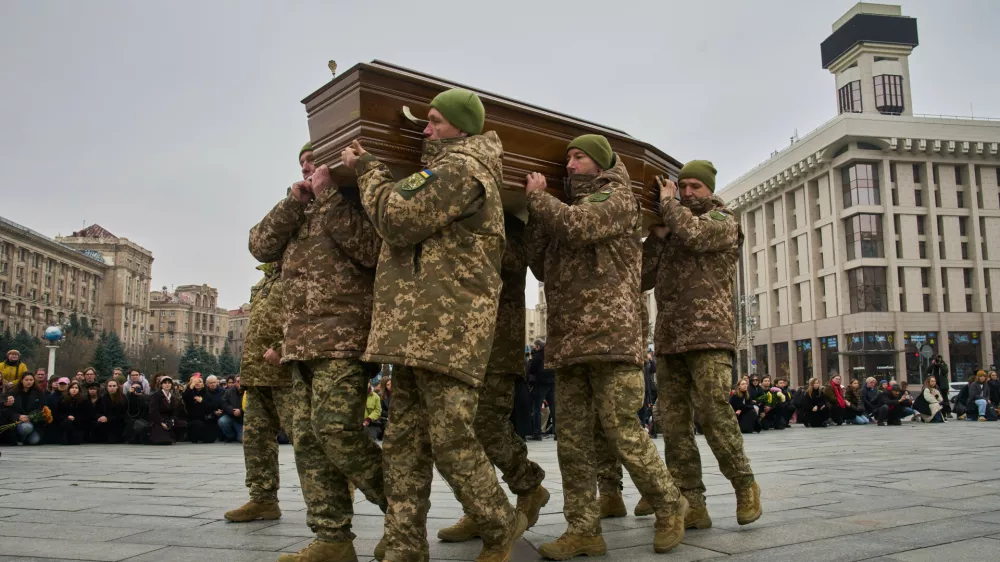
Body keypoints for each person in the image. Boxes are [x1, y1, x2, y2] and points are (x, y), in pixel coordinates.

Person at [345, 88, 524, 562]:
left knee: (450, 440)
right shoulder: (441, 169)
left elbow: (398, 218)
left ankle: (500, 524)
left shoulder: (463, 169)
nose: (426, 130)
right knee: (403, 443)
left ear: (461, 128)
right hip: (414, 329)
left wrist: (368, 170)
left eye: (435, 122)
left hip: (448, 330)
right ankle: (405, 544)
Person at [523, 134, 687, 558]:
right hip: (569, 340)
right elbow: (540, 263)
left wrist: (540, 201)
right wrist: (538, 219)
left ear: (600, 162)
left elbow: (578, 228)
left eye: (579, 157)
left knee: (621, 429)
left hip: (611, 338)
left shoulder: (618, 198)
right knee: (572, 441)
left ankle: (671, 504)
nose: (570, 164)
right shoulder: (563, 209)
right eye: (568, 157)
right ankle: (583, 529)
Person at [253, 139, 387, 562]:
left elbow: (372, 250)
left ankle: (404, 512)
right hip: (300, 345)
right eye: (302, 164)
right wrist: (294, 201)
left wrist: (330, 194)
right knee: (309, 440)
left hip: (344, 339)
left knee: (337, 431)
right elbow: (260, 246)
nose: (308, 169)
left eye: (315, 161)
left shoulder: (356, 199)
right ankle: (332, 537)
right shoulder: (297, 210)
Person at [635, 159, 761, 533]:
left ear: (709, 190)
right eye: (682, 186)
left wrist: (669, 205)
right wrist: (656, 240)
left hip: (710, 336)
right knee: (672, 423)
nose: (687, 193)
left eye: (695, 187)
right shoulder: (672, 227)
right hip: (672, 339)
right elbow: (642, 278)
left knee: (712, 409)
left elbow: (693, 234)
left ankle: (744, 484)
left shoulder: (723, 220)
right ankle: (692, 501)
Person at [436, 212, 549, 544]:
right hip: (458, 343)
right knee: (456, 431)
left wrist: (464, 229)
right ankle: (476, 508)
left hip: (497, 342)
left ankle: (529, 485)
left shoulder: (508, 222)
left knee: (487, 423)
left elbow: (513, 256)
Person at [222, 260, 297, 526]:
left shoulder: (299, 269)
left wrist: (283, 347)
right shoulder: (263, 282)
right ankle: (263, 499)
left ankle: (333, 498)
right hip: (256, 375)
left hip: (286, 374)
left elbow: (308, 315)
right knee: (255, 440)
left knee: (305, 440)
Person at [528, 340, 556, 441]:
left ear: (538, 347)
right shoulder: (551, 353)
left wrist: (531, 360)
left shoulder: (538, 355)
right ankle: (557, 433)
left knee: (537, 408)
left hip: (541, 383)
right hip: (552, 383)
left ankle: (537, 433)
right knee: (554, 408)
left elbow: (532, 370)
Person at [183, 375, 221, 443]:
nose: (197, 383)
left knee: (211, 436)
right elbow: (186, 397)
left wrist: (202, 401)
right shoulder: (190, 392)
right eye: (196, 382)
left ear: (203, 385)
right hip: (193, 420)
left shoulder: (207, 394)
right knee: (197, 425)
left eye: (200, 382)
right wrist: (192, 385)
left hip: (205, 419)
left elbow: (213, 406)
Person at [148, 376, 185, 444]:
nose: (167, 384)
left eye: (169, 383)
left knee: (183, 424)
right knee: (164, 440)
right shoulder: (156, 396)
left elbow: (174, 412)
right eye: (165, 383)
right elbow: (153, 411)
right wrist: (161, 422)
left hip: (168, 419)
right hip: (158, 420)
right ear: (161, 385)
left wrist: (172, 420)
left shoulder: (172, 397)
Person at [11, 372, 46, 445]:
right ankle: (20, 438)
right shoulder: (14, 392)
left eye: (31, 380)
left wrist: (31, 416)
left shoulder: (39, 392)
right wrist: (18, 416)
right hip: (18, 421)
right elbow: (9, 409)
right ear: (21, 381)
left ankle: (25, 438)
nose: (29, 382)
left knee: (34, 440)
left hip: (33, 420)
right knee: (26, 427)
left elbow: (41, 407)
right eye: (26, 380)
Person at [54, 381, 88, 445]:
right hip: (65, 423)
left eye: (76, 388)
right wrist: (67, 417)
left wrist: (75, 418)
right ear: (69, 389)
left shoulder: (84, 401)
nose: (74, 389)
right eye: (72, 388)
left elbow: (86, 415)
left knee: (75, 441)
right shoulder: (62, 400)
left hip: (78, 425)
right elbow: (58, 414)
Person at [218, 375, 245, 443]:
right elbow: (224, 403)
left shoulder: (249, 392)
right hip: (231, 416)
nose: (240, 383)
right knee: (222, 421)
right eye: (238, 381)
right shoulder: (228, 392)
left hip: (243, 420)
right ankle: (230, 436)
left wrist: (240, 411)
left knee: (242, 439)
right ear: (235, 382)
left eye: (242, 381)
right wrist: (233, 411)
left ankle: (239, 435)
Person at [123, 378, 149, 444]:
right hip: (131, 418)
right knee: (131, 421)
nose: (136, 389)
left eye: (138, 388)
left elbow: (146, 407)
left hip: (142, 419)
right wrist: (129, 394)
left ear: (142, 389)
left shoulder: (146, 397)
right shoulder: (128, 397)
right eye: (133, 388)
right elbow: (126, 407)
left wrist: (141, 396)